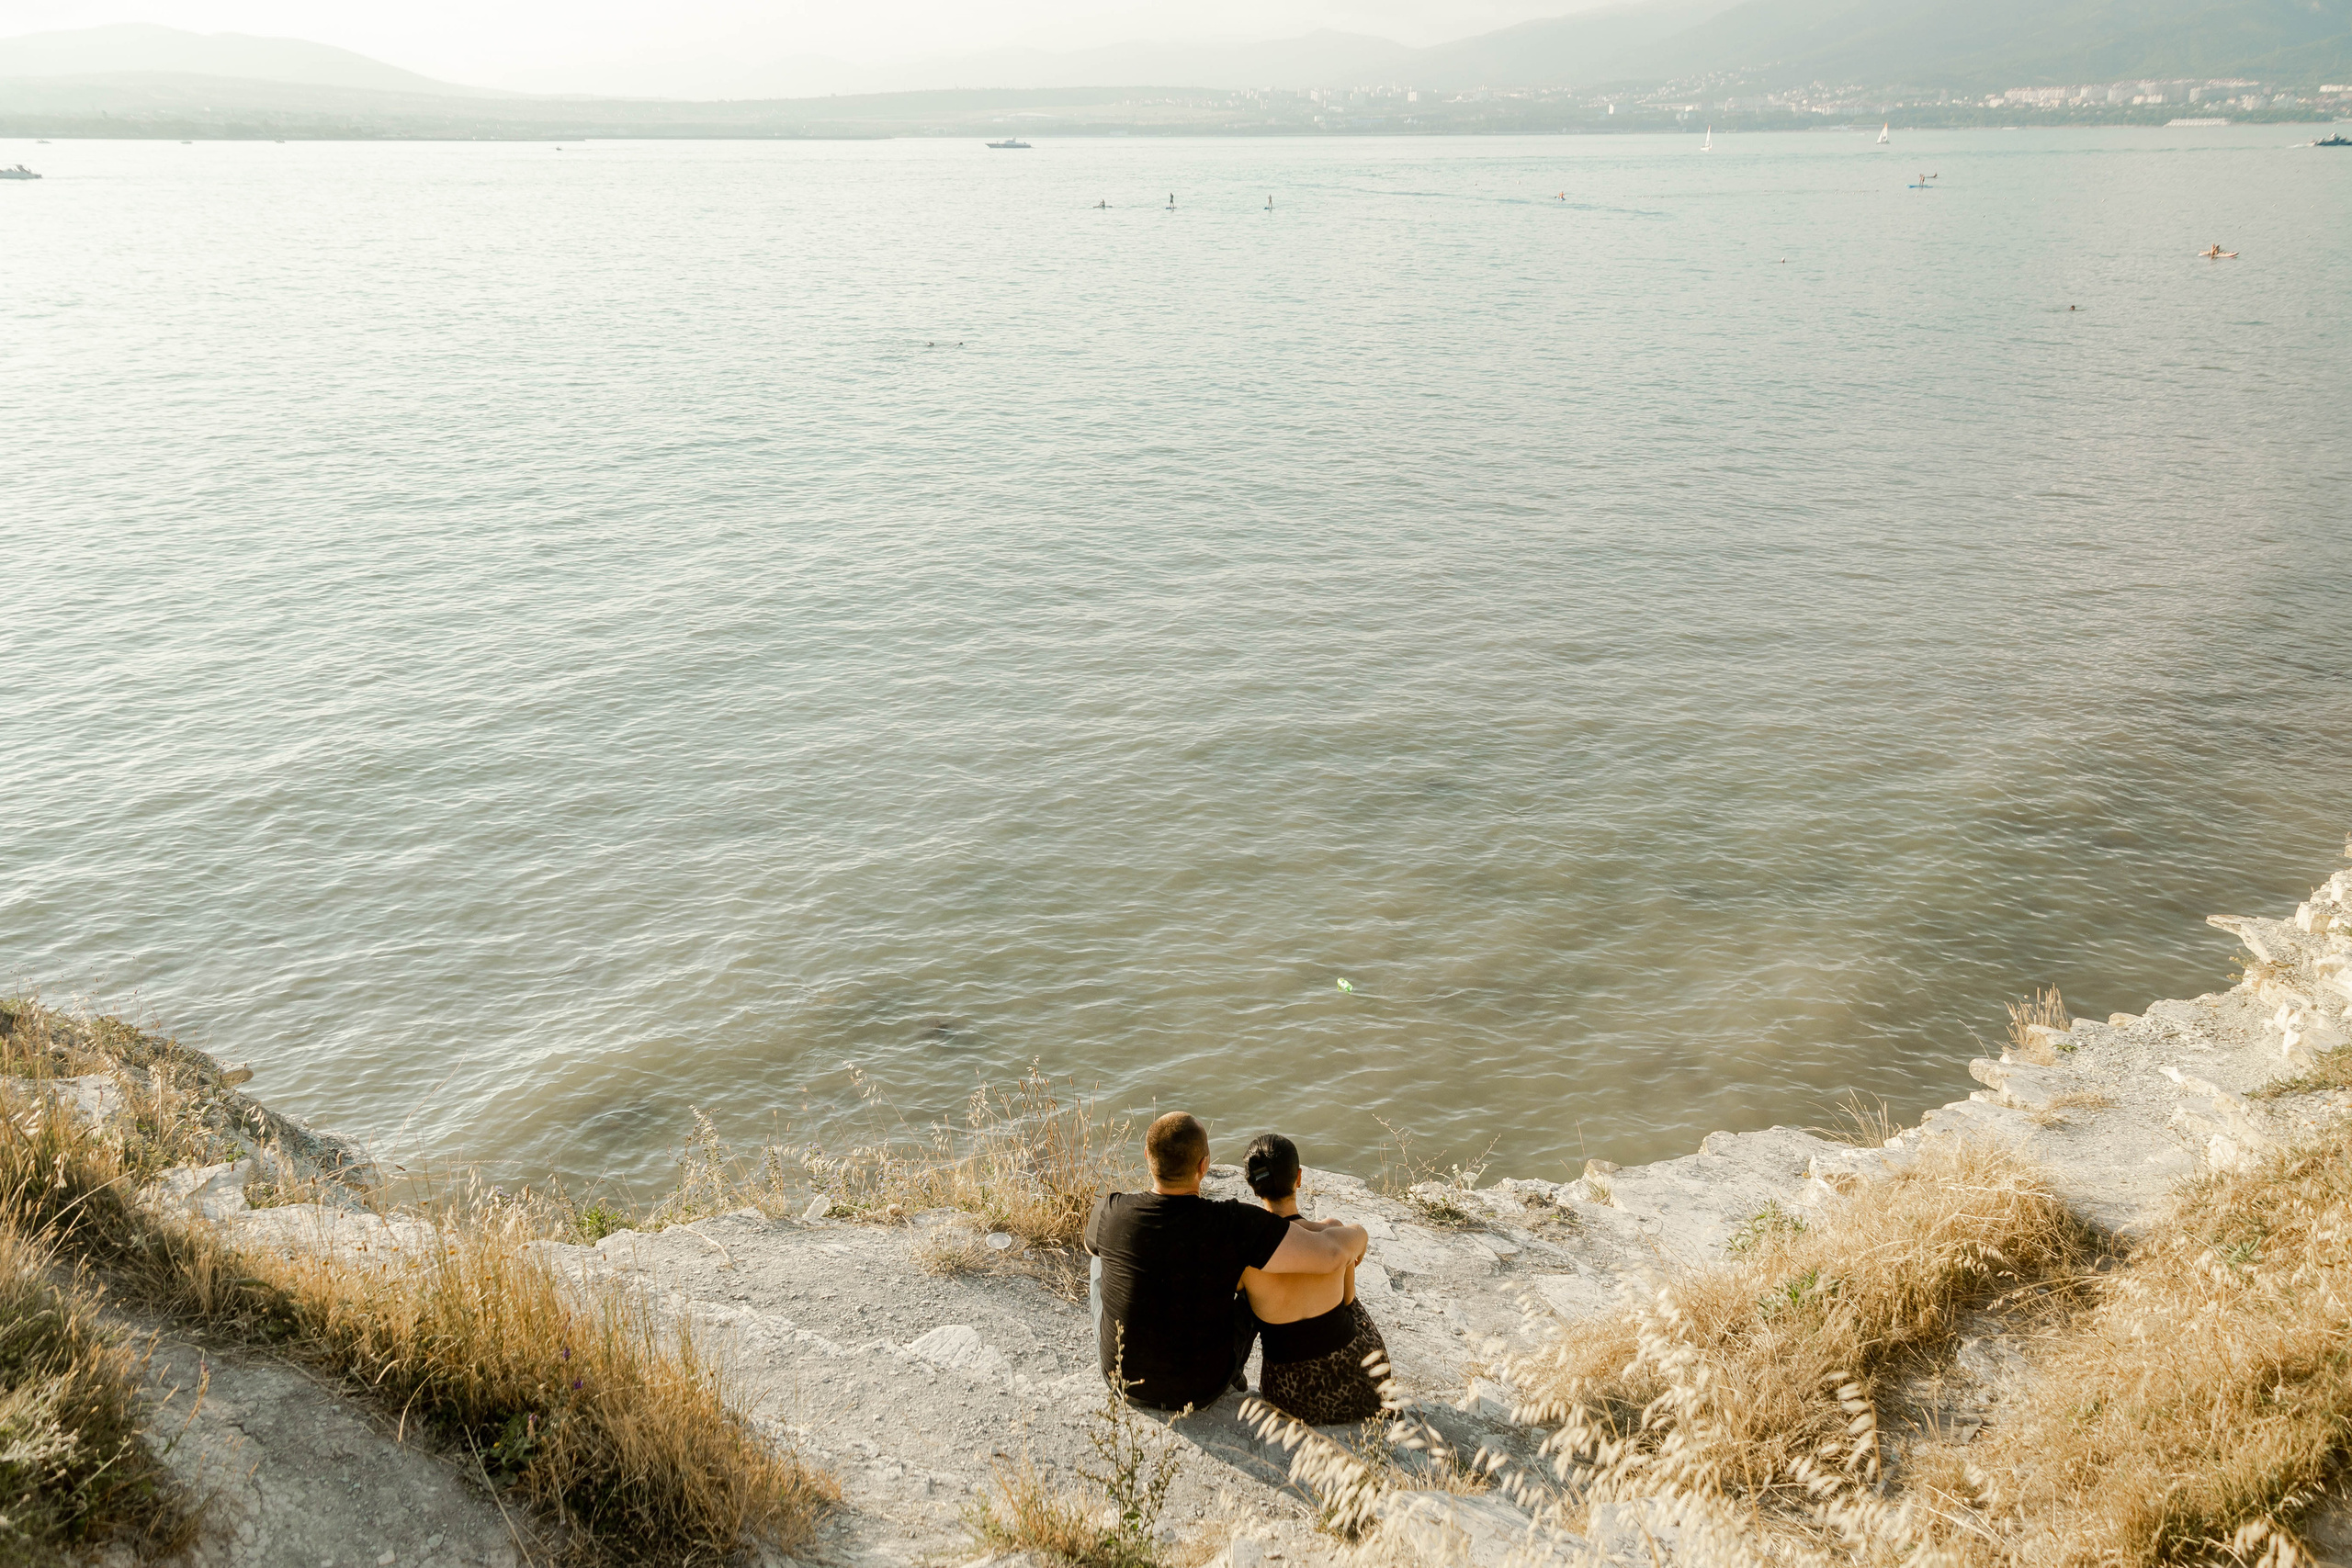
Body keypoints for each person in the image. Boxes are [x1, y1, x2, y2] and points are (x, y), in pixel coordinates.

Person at [1085, 1112, 1368, 1411]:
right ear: (1204, 1165)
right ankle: (1237, 1374)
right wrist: (1358, 1233)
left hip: (1122, 1380)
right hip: (1206, 1386)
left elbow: (1100, 1253)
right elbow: (1331, 1254)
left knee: (1098, 1258)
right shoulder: (1235, 1223)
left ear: (1147, 1156)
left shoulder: (1112, 1211)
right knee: (1250, 1269)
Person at [1237, 1134, 1390, 1426]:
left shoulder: (1246, 1254)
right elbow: (1347, 1299)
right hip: (1360, 1386)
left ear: (1255, 1187)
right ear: (1299, 1178)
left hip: (1290, 1395)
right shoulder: (1329, 1231)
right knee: (1347, 1301)